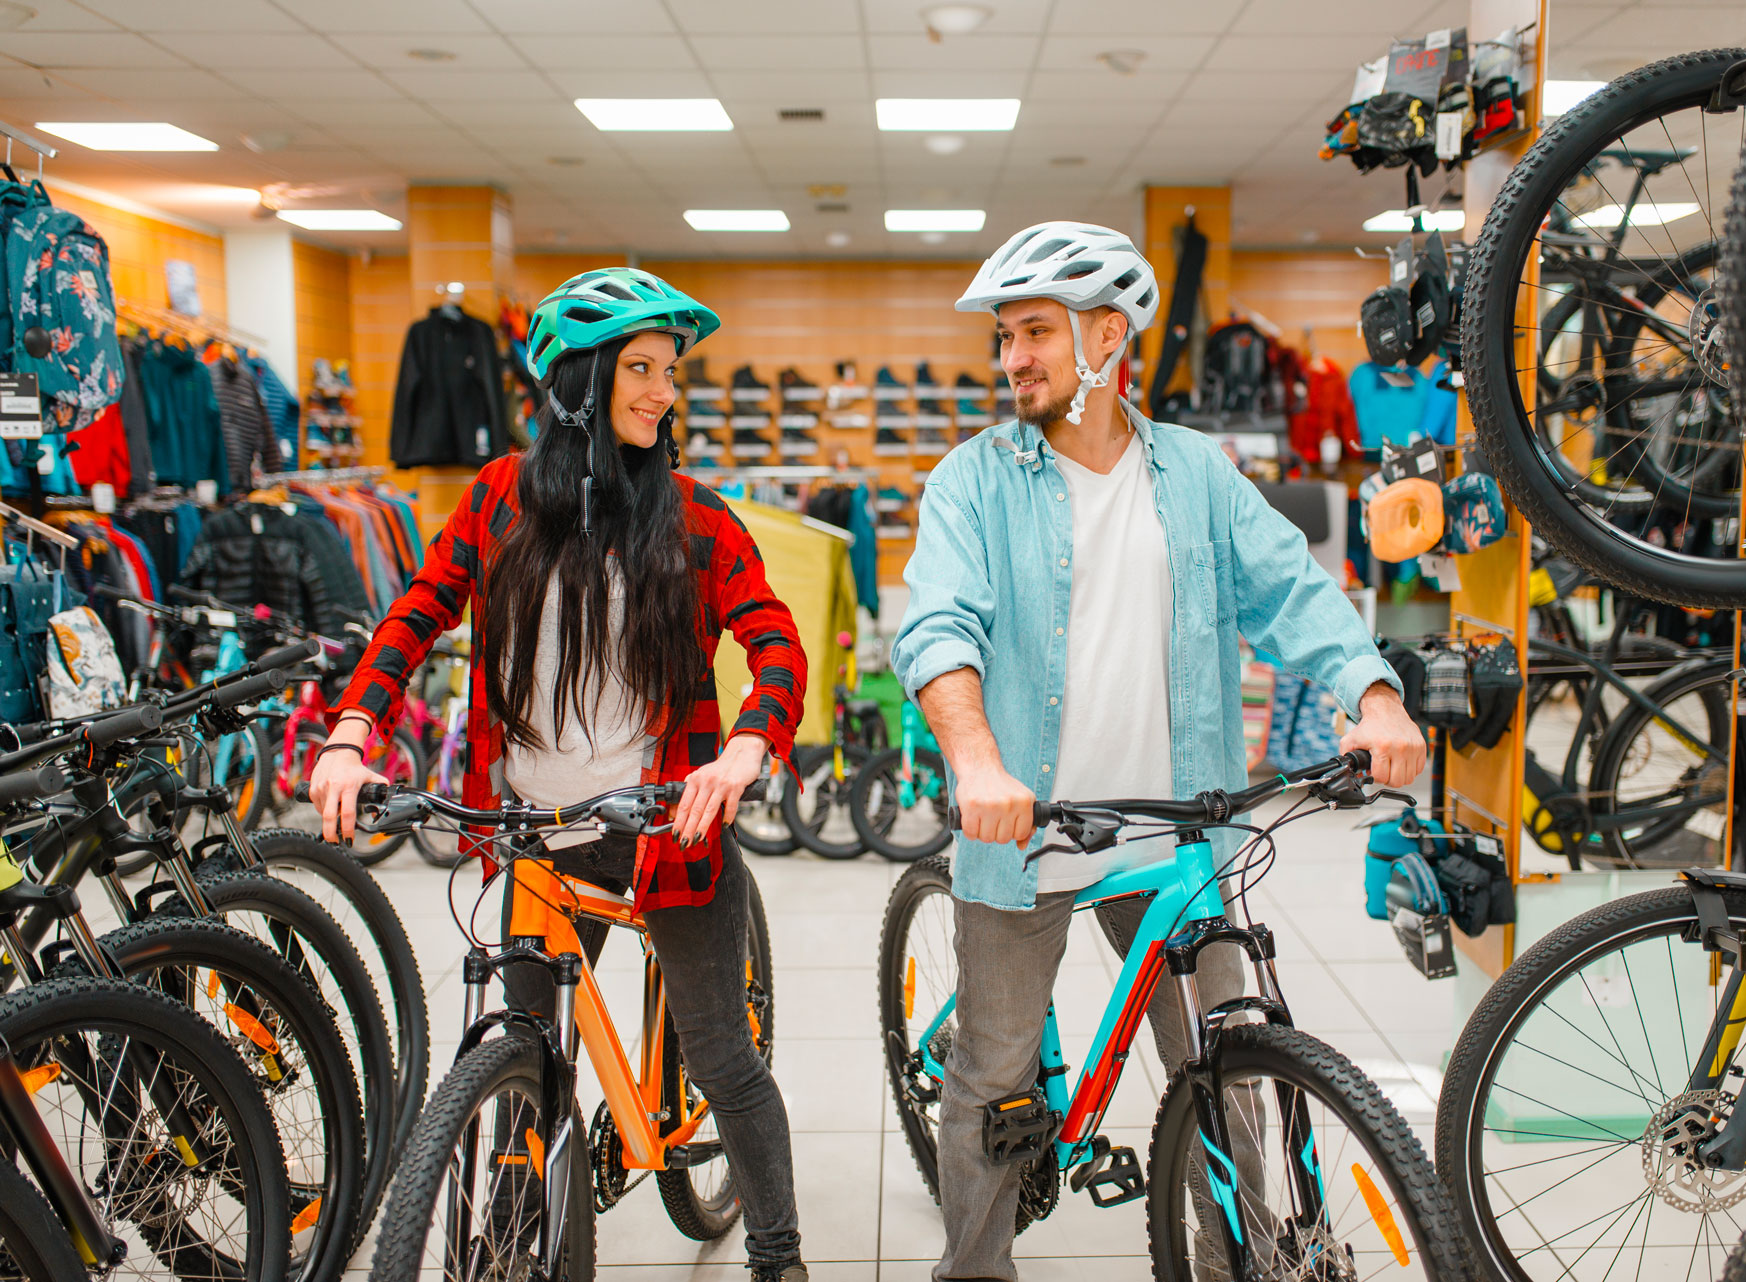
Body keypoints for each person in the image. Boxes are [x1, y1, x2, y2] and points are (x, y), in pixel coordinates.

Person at [892, 222, 1427, 1281]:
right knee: (994, 1075)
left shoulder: (1195, 474)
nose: (1015, 358)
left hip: (1177, 833)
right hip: (1026, 829)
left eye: (1036, 331)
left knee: (1223, 1072)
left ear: (1108, 336)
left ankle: (1240, 1265)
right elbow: (937, 626)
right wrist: (978, 764)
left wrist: (1373, 693)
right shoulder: (973, 481)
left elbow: (1290, 589)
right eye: (1006, 337)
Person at [309, 267, 812, 1282]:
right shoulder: (498, 499)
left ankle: (779, 1258)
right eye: (640, 369)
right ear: (577, 379)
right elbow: (415, 611)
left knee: (722, 1055)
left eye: (670, 372)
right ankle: (511, 1243)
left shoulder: (698, 520)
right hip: (538, 828)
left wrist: (749, 744)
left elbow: (775, 640)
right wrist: (351, 727)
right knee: (523, 1045)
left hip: (669, 826)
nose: (663, 391)